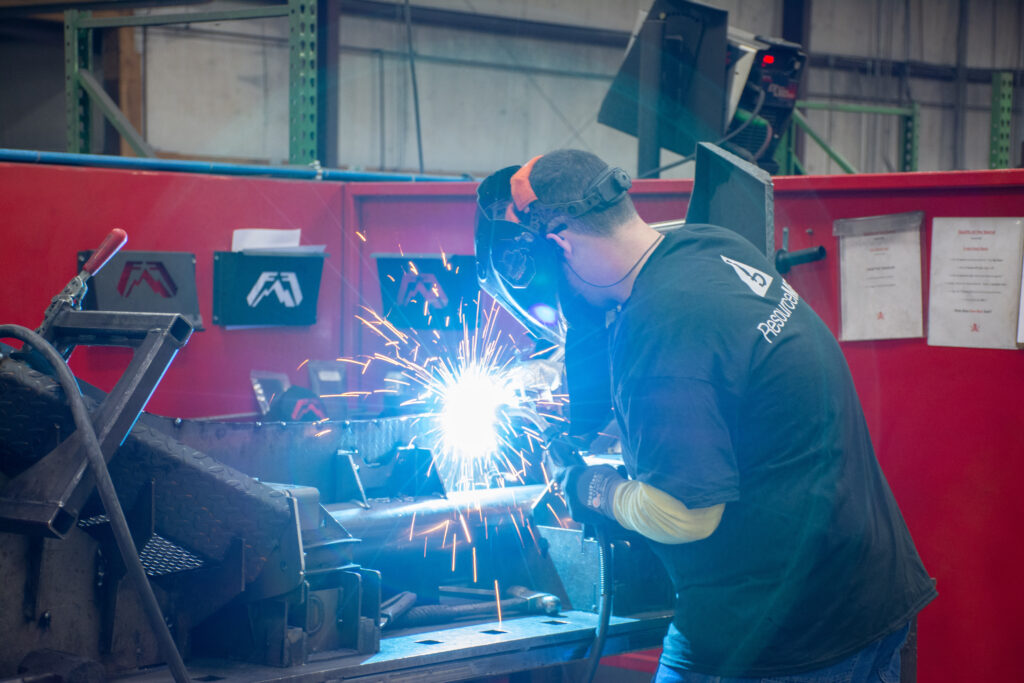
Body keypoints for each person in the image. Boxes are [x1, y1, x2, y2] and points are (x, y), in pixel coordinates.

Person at [474, 149, 936, 682]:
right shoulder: (707, 246)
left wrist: (587, 486)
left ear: (561, 246)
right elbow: (722, 388)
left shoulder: (661, 327)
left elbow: (683, 515)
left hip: (781, 638)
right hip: (871, 593)